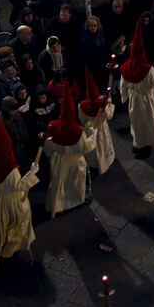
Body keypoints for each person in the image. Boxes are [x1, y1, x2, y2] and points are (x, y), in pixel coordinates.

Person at [0, 114, 39, 268]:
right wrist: (32, 173)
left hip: (0, 199)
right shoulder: (10, 168)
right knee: (18, 226)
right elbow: (18, 186)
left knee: (4, 227)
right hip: (13, 201)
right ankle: (10, 253)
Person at [43, 88, 96, 218]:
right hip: (75, 162)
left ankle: (60, 205)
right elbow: (86, 147)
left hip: (59, 161)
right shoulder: (78, 132)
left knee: (60, 184)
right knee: (75, 184)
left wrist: (54, 156)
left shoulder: (53, 129)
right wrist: (93, 137)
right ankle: (75, 202)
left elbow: (47, 148)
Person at [118, 21, 154, 157]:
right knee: (148, 122)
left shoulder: (125, 66)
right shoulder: (148, 69)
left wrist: (124, 97)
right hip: (146, 99)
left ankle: (138, 143)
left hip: (134, 99)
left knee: (136, 122)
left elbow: (123, 85)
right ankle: (146, 145)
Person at [78, 68, 115, 175]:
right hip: (101, 128)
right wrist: (109, 103)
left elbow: (82, 119)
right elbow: (109, 116)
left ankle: (93, 164)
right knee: (103, 146)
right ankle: (105, 162)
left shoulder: (82, 105)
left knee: (92, 148)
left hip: (89, 128)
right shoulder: (102, 105)